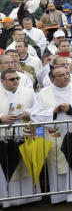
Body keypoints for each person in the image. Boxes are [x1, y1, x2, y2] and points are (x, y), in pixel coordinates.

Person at [32, 64, 72, 204]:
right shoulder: (42, 94)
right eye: (61, 75)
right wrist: (53, 112)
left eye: (67, 73)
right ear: (52, 79)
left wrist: (71, 108)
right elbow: (35, 114)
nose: (66, 76)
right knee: (59, 162)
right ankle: (60, 196)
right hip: (56, 134)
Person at [0, 68, 41, 206]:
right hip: (4, 138)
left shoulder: (28, 92)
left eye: (17, 78)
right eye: (12, 79)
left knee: (26, 164)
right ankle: (10, 200)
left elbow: (38, 108)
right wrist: (1, 118)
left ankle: (30, 198)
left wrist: (28, 113)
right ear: (2, 81)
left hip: (24, 134)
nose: (16, 81)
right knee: (8, 165)